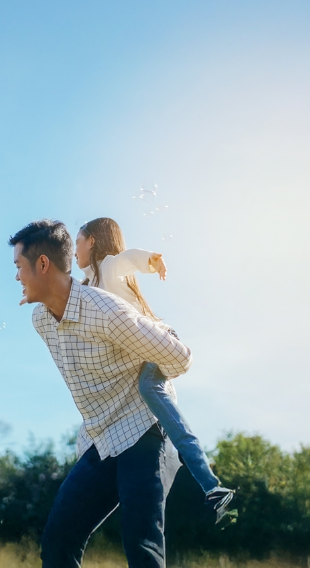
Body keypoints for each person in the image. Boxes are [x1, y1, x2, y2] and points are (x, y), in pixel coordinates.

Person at [10, 219, 189, 568]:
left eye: (19, 267)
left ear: (42, 264)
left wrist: (152, 349)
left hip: (144, 428)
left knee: (142, 547)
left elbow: (179, 357)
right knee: (57, 544)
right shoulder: (41, 320)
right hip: (100, 439)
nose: (17, 277)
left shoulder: (105, 310)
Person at [74, 217, 234, 523]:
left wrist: (151, 260)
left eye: (77, 241)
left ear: (92, 240)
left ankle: (212, 485)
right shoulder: (88, 287)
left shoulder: (108, 267)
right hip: (144, 353)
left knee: (149, 389)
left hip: (161, 342)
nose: (73, 251)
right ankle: (212, 487)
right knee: (146, 397)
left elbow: (128, 258)